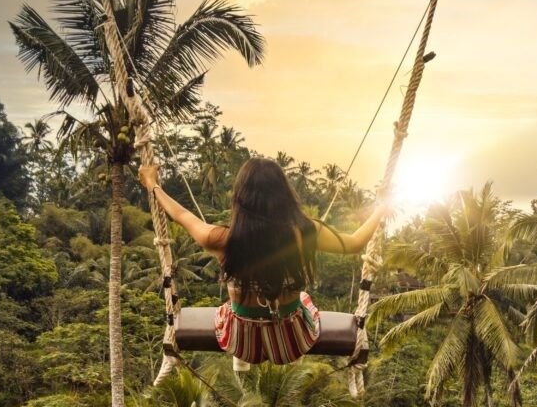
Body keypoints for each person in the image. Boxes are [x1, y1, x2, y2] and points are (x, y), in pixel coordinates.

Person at [139, 158, 388, 370]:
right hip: (291, 342)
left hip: (241, 342)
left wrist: (153, 185)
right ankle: (291, 358)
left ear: (241, 198)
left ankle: (242, 364)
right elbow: (355, 242)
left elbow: (182, 215)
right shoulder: (305, 231)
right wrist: (380, 210)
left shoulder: (222, 239)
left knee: (230, 308)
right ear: (284, 196)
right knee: (303, 301)